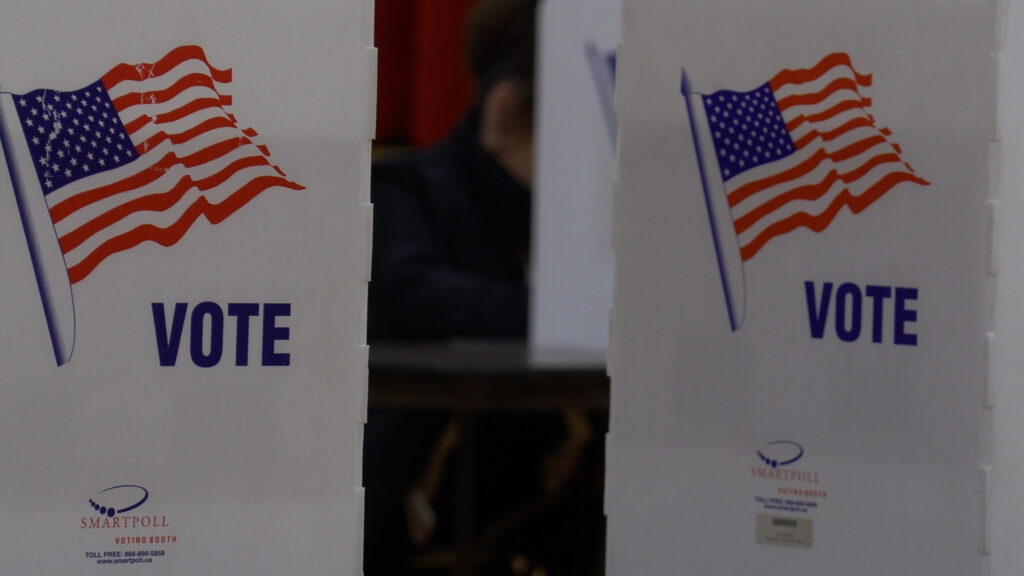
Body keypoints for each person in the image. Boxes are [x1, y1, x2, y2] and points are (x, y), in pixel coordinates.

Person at [363, 2, 544, 574]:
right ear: (506, 110)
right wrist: (569, 308)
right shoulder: (406, 188)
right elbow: (414, 292)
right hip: (418, 520)